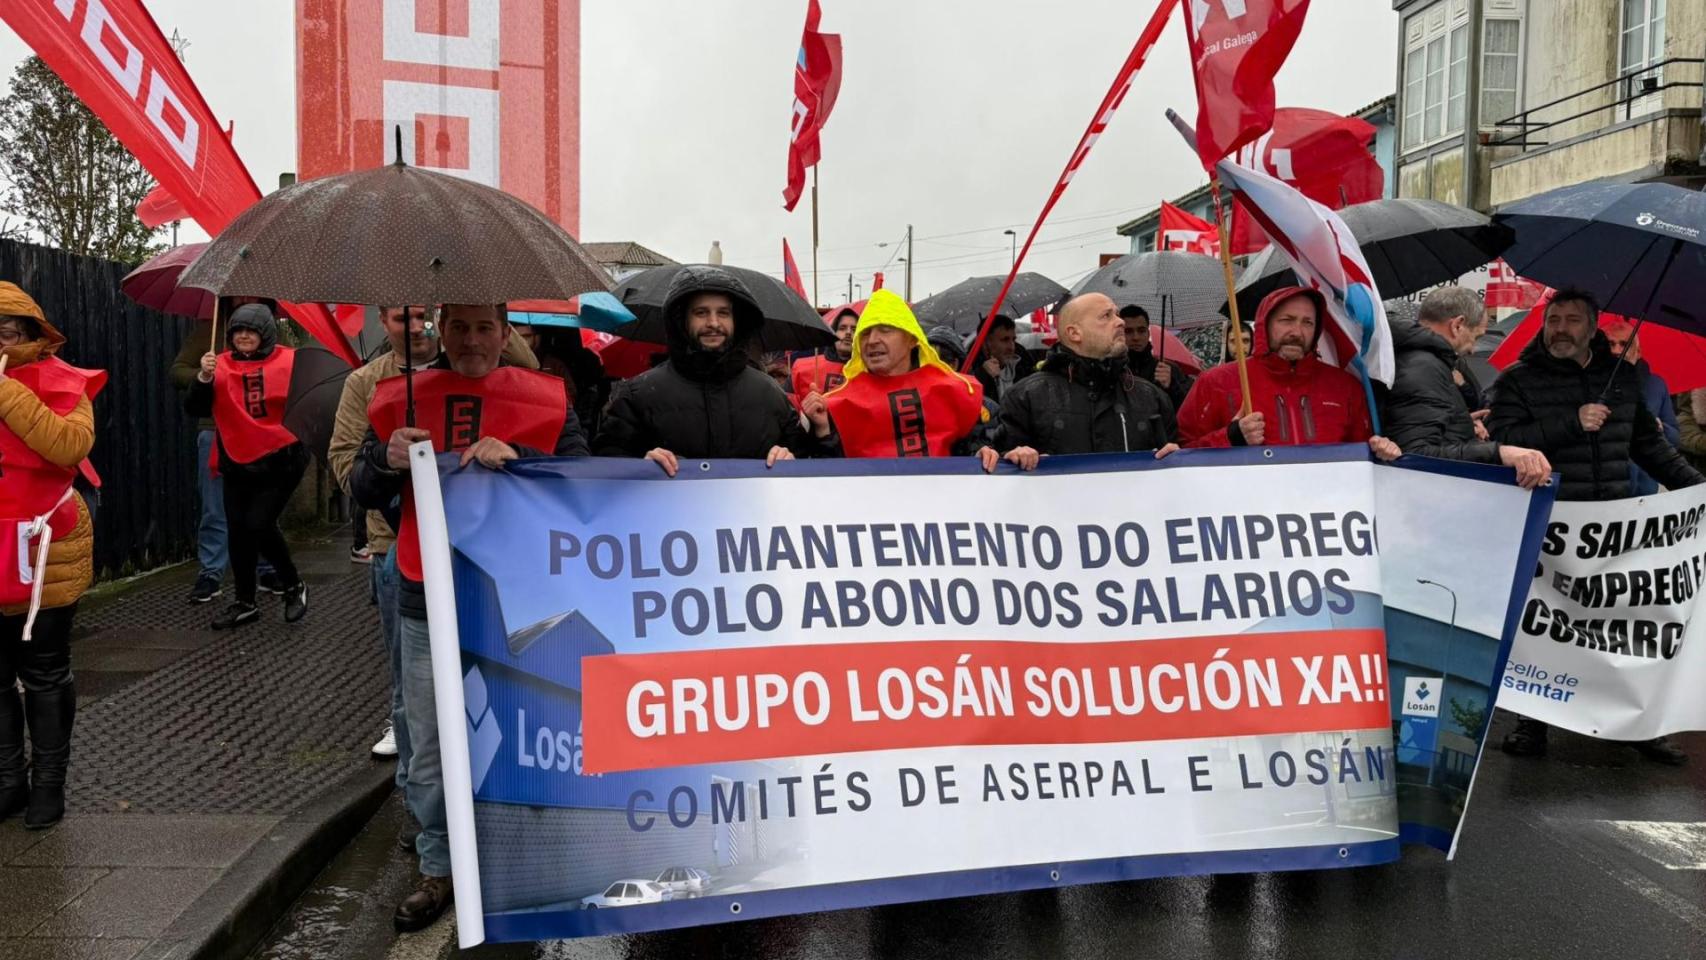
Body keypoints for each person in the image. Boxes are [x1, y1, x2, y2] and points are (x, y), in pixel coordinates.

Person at [352, 303, 587, 933]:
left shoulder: (547, 400)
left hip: (514, 598)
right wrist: (384, 461)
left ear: (505, 333)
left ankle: (518, 859)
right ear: (438, 330)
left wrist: (523, 460)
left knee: (520, 732)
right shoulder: (397, 399)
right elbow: (361, 490)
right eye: (459, 327)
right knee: (427, 745)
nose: (472, 340)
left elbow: (582, 482)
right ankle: (439, 868)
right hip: (424, 592)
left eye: (485, 327)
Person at [1488, 288, 1703, 764]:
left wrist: (1698, 490)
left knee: (1626, 626)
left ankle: (1638, 724)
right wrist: (1572, 422)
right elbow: (1503, 443)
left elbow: (1650, 448)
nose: (1560, 329)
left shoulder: (1623, 379)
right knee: (1547, 626)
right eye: (1554, 320)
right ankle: (1532, 721)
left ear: (1592, 328)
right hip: (1551, 528)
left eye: (1571, 320)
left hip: (1616, 527)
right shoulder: (1517, 382)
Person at [0, 284, 103, 830]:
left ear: (32, 336)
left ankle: (48, 783)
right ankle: (9, 779)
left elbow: (67, 446)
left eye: (5, 332)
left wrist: (5, 392)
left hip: (47, 546)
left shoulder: (65, 382)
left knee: (42, 670)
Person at [594, 266, 830, 474]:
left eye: (723, 313)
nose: (714, 323)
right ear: (682, 321)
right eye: (701, 312)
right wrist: (639, 466)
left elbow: (807, 470)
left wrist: (792, 457)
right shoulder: (638, 394)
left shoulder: (770, 393)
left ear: (737, 321)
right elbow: (604, 465)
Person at [185, 305, 310, 629]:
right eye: (237, 331)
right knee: (238, 531)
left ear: (265, 334)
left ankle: (293, 585)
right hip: (236, 459)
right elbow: (194, 407)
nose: (243, 336)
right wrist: (203, 378)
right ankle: (244, 602)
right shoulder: (218, 364)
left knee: (258, 523)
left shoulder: (290, 361)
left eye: (251, 331)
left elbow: (306, 401)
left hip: (282, 457)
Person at [1176, 286, 1401, 460]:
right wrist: (1231, 437)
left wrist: (1381, 452)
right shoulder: (1216, 382)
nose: (1297, 332)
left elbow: (1362, 459)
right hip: (1246, 513)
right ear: (1265, 324)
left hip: (1325, 514)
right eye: (1286, 321)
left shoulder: (1346, 387)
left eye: (1307, 323)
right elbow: (1181, 456)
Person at [800, 290, 1009, 468]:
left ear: (911, 339)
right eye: (865, 333)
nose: (872, 341)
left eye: (885, 330)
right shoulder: (836, 406)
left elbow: (975, 447)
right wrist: (822, 431)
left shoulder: (955, 391)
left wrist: (984, 452)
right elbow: (829, 480)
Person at [1379, 286, 1550, 488]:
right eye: (1476, 337)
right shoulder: (1425, 367)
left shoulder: (1425, 361)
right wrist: (1501, 452)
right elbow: (1414, 453)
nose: (1473, 349)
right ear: (1458, 325)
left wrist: (1458, 423)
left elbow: (1421, 425)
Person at [170, 298, 281, 604]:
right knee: (214, 505)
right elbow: (177, 371)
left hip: (257, 431)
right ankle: (211, 572)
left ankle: (267, 566)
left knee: (260, 504)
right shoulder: (210, 332)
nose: (247, 301)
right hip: (214, 429)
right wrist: (203, 374)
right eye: (242, 297)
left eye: (254, 299)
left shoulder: (271, 337)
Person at [998, 292, 1178, 458]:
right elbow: (997, 468)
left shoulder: (1151, 397)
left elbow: (1173, 465)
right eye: (1106, 316)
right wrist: (1013, 456)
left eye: (1116, 314)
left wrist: (1175, 459)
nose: (1120, 322)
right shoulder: (1026, 397)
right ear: (1074, 333)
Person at [1602, 318, 1680, 496]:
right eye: (1610, 344)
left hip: (1644, 494)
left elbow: (1675, 438)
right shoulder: (1583, 383)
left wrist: (1660, 427)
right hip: (1600, 494)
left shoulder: (1656, 385)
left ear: (1638, 352)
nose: (1616, 350)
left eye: (1624, 344)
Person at [1121, 304, 1192, 408]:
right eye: (1128, 331)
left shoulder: (1169, 369)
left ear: (1148, 334)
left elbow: (1188, 410)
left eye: (1141, 331)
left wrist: (1172, 386)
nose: (1136, 337)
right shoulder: (1113, 370)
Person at [791, 305, 856, 402]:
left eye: (854, 329)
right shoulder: (802, 368)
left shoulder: (868, 372)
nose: (848, 333)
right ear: (833, 333)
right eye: (842, 328)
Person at [970, 314, 1034, 404]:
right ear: (985, 344)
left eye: (1013, 339)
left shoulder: (1025, 366)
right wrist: (982, 375)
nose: (1012, 347)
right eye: (1005, 340)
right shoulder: (969, 374)